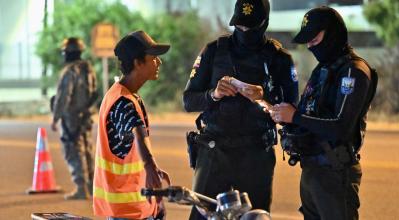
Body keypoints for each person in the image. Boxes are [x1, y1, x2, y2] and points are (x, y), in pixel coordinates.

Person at [183, 0, 298, 219]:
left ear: (264, 23)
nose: (244, 31)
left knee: (255, 216)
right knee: (202, 215)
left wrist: (265, 96)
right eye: (240, 26)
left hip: (256, 155)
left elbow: (291, 113)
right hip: (214, 152)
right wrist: (213, 94)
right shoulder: (213, 51)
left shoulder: (280, 59)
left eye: (251, 27)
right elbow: (188, 101)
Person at [269, 6, 378, 220]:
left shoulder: (353, 72)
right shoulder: (323, 69)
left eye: (314, 38)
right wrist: (281, 113)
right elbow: (311, 115)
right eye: (307, 40)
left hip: (335, 173)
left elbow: (340, 127)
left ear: (332, 33)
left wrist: (295, 117)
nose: (310, 45)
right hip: (312, 171)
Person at [93, 30, 171, 220]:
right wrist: (150, 166)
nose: (159, 62)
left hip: (136, 206)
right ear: (138, 63)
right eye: (153, 58)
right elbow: (137, 132)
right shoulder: (122, 102)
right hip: (126, 211)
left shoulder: (128, 96)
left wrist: (152, 171)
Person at [51, 37, 98, 200]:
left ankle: (80, 188)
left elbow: (64, 96)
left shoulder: (70, 71)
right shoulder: (88, 69)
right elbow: (94, 93)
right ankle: (92, 187)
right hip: (86, 115)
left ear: (69, 53)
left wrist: (55, 117)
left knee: (73, 150)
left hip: (71, 117)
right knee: (86, 150)